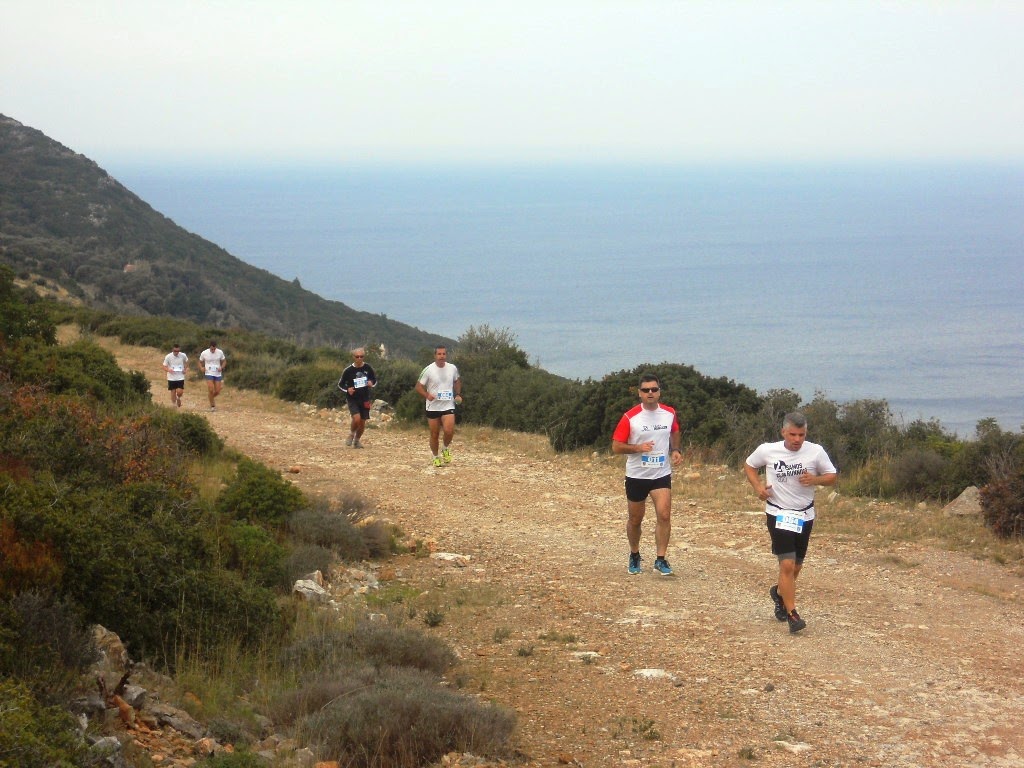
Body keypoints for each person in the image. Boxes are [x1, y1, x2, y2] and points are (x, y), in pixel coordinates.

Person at [744, 411, 837, 634]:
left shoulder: (815, 451)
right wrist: (758, 488)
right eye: (793, 434)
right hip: (778, 513)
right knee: (786, 564)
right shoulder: (768, 449)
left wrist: (814, 480)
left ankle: (779, 593)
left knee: (796, 566)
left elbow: (832, 476)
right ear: (783, 432)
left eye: (801, 435)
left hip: (805, 514)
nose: (797, 440)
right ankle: (792, 614)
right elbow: (749, 465)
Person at [611, 373, 683, 576]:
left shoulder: (669, 413)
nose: (650, 393)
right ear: (639, 393)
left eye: (654, 389)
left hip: (661, 473)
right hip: (636, 475)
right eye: (646, 390)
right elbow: (616, 446)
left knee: (664, 514)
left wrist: (676, 450)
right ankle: (634, 553)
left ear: (659, 391)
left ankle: (660, 559)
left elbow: (674, 431)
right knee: (635, 519)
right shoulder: (630, 417)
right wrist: (637, 448)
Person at [415, 345, 462, 468]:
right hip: (433, 406)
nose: (442, 356)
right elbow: (418, 386)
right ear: (435, 355)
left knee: (449, 430)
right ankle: (435, 457)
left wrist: (458, 394)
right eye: (439, 354)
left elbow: (457, 381)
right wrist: (427, 395)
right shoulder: (428, 370)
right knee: (434, 434)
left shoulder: (452, 368)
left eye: (444, 354)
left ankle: (445, 448)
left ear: (446, 355)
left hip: (448, 404)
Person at [337, 347, 377, 448]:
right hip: (352, 398)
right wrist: (348, 389)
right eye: (357, 356)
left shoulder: (368, 368)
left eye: (361, 356)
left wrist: (371, 383)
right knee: (357, 419)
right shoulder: (348, 370)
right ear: (353, 357)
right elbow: (340, 384)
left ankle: (357, 441)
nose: (359, 358)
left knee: (362, 423)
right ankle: (351, 434)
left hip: (365, 398)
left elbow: (374, 380)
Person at [198, 340, 227, 411]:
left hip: (217, 373)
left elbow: (224, 361)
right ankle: (212, 406)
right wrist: (201, 368)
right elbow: (199, 362)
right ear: (209, 347)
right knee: (211, 389)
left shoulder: (220, 352)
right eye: (212, 349)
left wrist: (222, 367)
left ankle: (210, 397)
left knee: (217, 391)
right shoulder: (204, 353)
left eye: (214, 349)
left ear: (216, 347)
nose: (213, 350)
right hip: (208, 372)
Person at [161, 343, 188, 408]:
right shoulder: (168, 356)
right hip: (171, 377)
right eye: (175, 351)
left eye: (178, 351)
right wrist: (168, 370)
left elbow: (186, 362)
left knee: (180, 391)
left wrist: (185, 369)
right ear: (172, 350)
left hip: (180, 376)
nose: (176, 352)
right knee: (173, 391)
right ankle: (174, 404)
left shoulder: (183, 355)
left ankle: (178, 398)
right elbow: (164, 366)